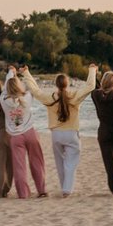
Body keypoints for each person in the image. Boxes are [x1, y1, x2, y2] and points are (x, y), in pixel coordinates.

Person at [23, 64, 97, 197]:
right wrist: (92, 70)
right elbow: (90, 87)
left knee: (60, 163)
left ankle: (64, 187)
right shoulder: (74, 96)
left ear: (56, 84)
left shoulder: (50, 98)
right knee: (70, 162)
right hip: (71, 134)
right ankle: (66, 190)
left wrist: (26, 73)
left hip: (56, 134)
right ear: (67, 84)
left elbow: (35, 90)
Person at [2, 68, 47, 198]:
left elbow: (6, 87)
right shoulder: (27, 97)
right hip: (30, 133)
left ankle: (23, 194)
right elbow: (33, 86)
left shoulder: (3, 100)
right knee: (37, 162)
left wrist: (11, 72)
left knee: (19, 167)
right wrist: (26, 73)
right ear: (19, 86)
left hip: (15, 137)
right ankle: (41, 190)